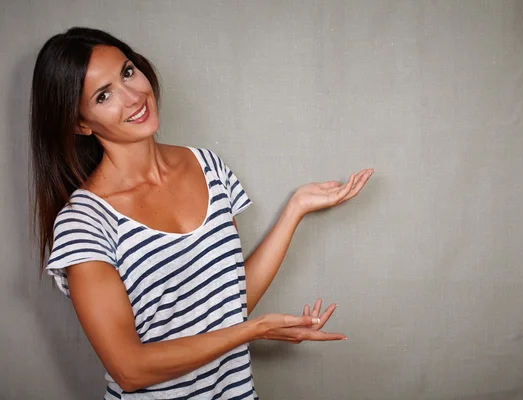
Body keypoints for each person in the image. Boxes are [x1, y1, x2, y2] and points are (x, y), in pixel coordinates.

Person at [30, 27, 373, 399]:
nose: (133, 97)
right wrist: (253, 330)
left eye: (127, 72)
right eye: (104, 95)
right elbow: (129, 370)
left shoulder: (207, 166)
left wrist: (295, 210)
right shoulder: (83, 222)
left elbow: (229, 302)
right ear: (80, 123)